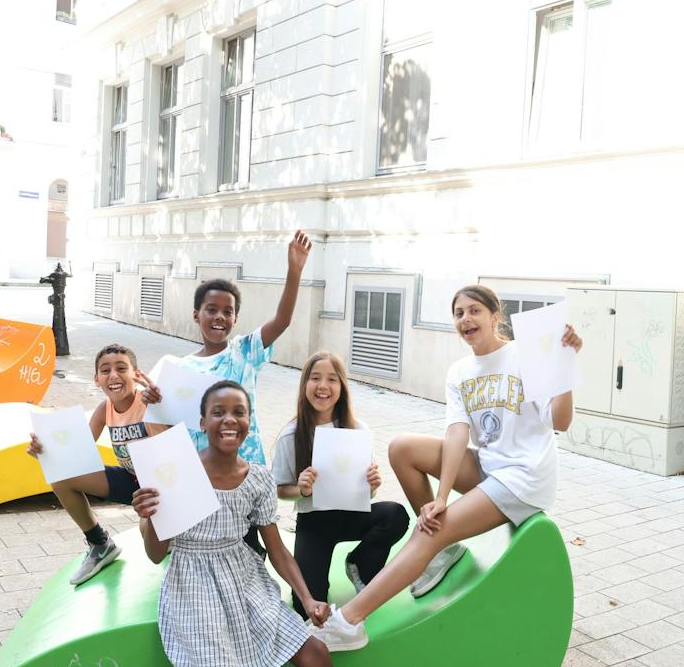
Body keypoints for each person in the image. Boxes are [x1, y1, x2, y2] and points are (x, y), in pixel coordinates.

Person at [83, 381, 435, 667]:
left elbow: (278, 550)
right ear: (203, 421)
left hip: (246, 582)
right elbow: (157, 553)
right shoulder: (177, 473)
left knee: (316, 654)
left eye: (239, 412)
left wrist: (308, 599)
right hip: (195, 591)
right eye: (218, 413)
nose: (229, 420)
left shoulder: (259, 480)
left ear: (249, 421)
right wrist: (147, 517)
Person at [311, 284, 582, 652]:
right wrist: (439, 498)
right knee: (402, 449)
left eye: (474, 311)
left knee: (428, 531)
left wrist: (563, 368)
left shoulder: (527, 355)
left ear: (494, 316)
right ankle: (441, 551)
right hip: (488, 466)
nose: (466, 319)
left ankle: (349, 623)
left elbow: (561, 422)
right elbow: (457, 433)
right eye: (458, 313)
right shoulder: (460, 371)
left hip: (524, 476)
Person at [143, 229, 311, 465]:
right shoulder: (180, 368)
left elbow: (282, 321)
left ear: (235, 319)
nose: (219, 316)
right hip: (203, 471)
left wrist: (294, 272)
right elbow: (165, 418)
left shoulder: (245, 351)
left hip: (246, 468)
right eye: (211, 309)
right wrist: (151, 398)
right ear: (196, 315)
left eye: (227, 311)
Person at [272, 351, 409, 615]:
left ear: (342, 387)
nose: (323, 386)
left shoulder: (358, 430)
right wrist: (300, 489)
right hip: (314, 522)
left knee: (395, 514)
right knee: (305, 607)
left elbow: (368, 493)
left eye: (332, 380)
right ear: (304, 386)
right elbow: (280, 490)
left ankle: (360, 564)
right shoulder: (291, 435)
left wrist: (373, 484)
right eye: (315, 378)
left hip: (351, 515)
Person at [26, 344, 169, 585]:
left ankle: (179, 536)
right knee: (61, 475)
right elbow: (78, 454)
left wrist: (161, 405)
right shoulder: (105, 409)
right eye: (105, 370)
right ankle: (99, 543)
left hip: (161, 486)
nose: (113, 375)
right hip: (132, 480)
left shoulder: (148, 402)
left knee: (150, 537)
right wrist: (45, 452)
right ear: (96, 379)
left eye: (121, 368)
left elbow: (178, 445)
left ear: (136, 374)